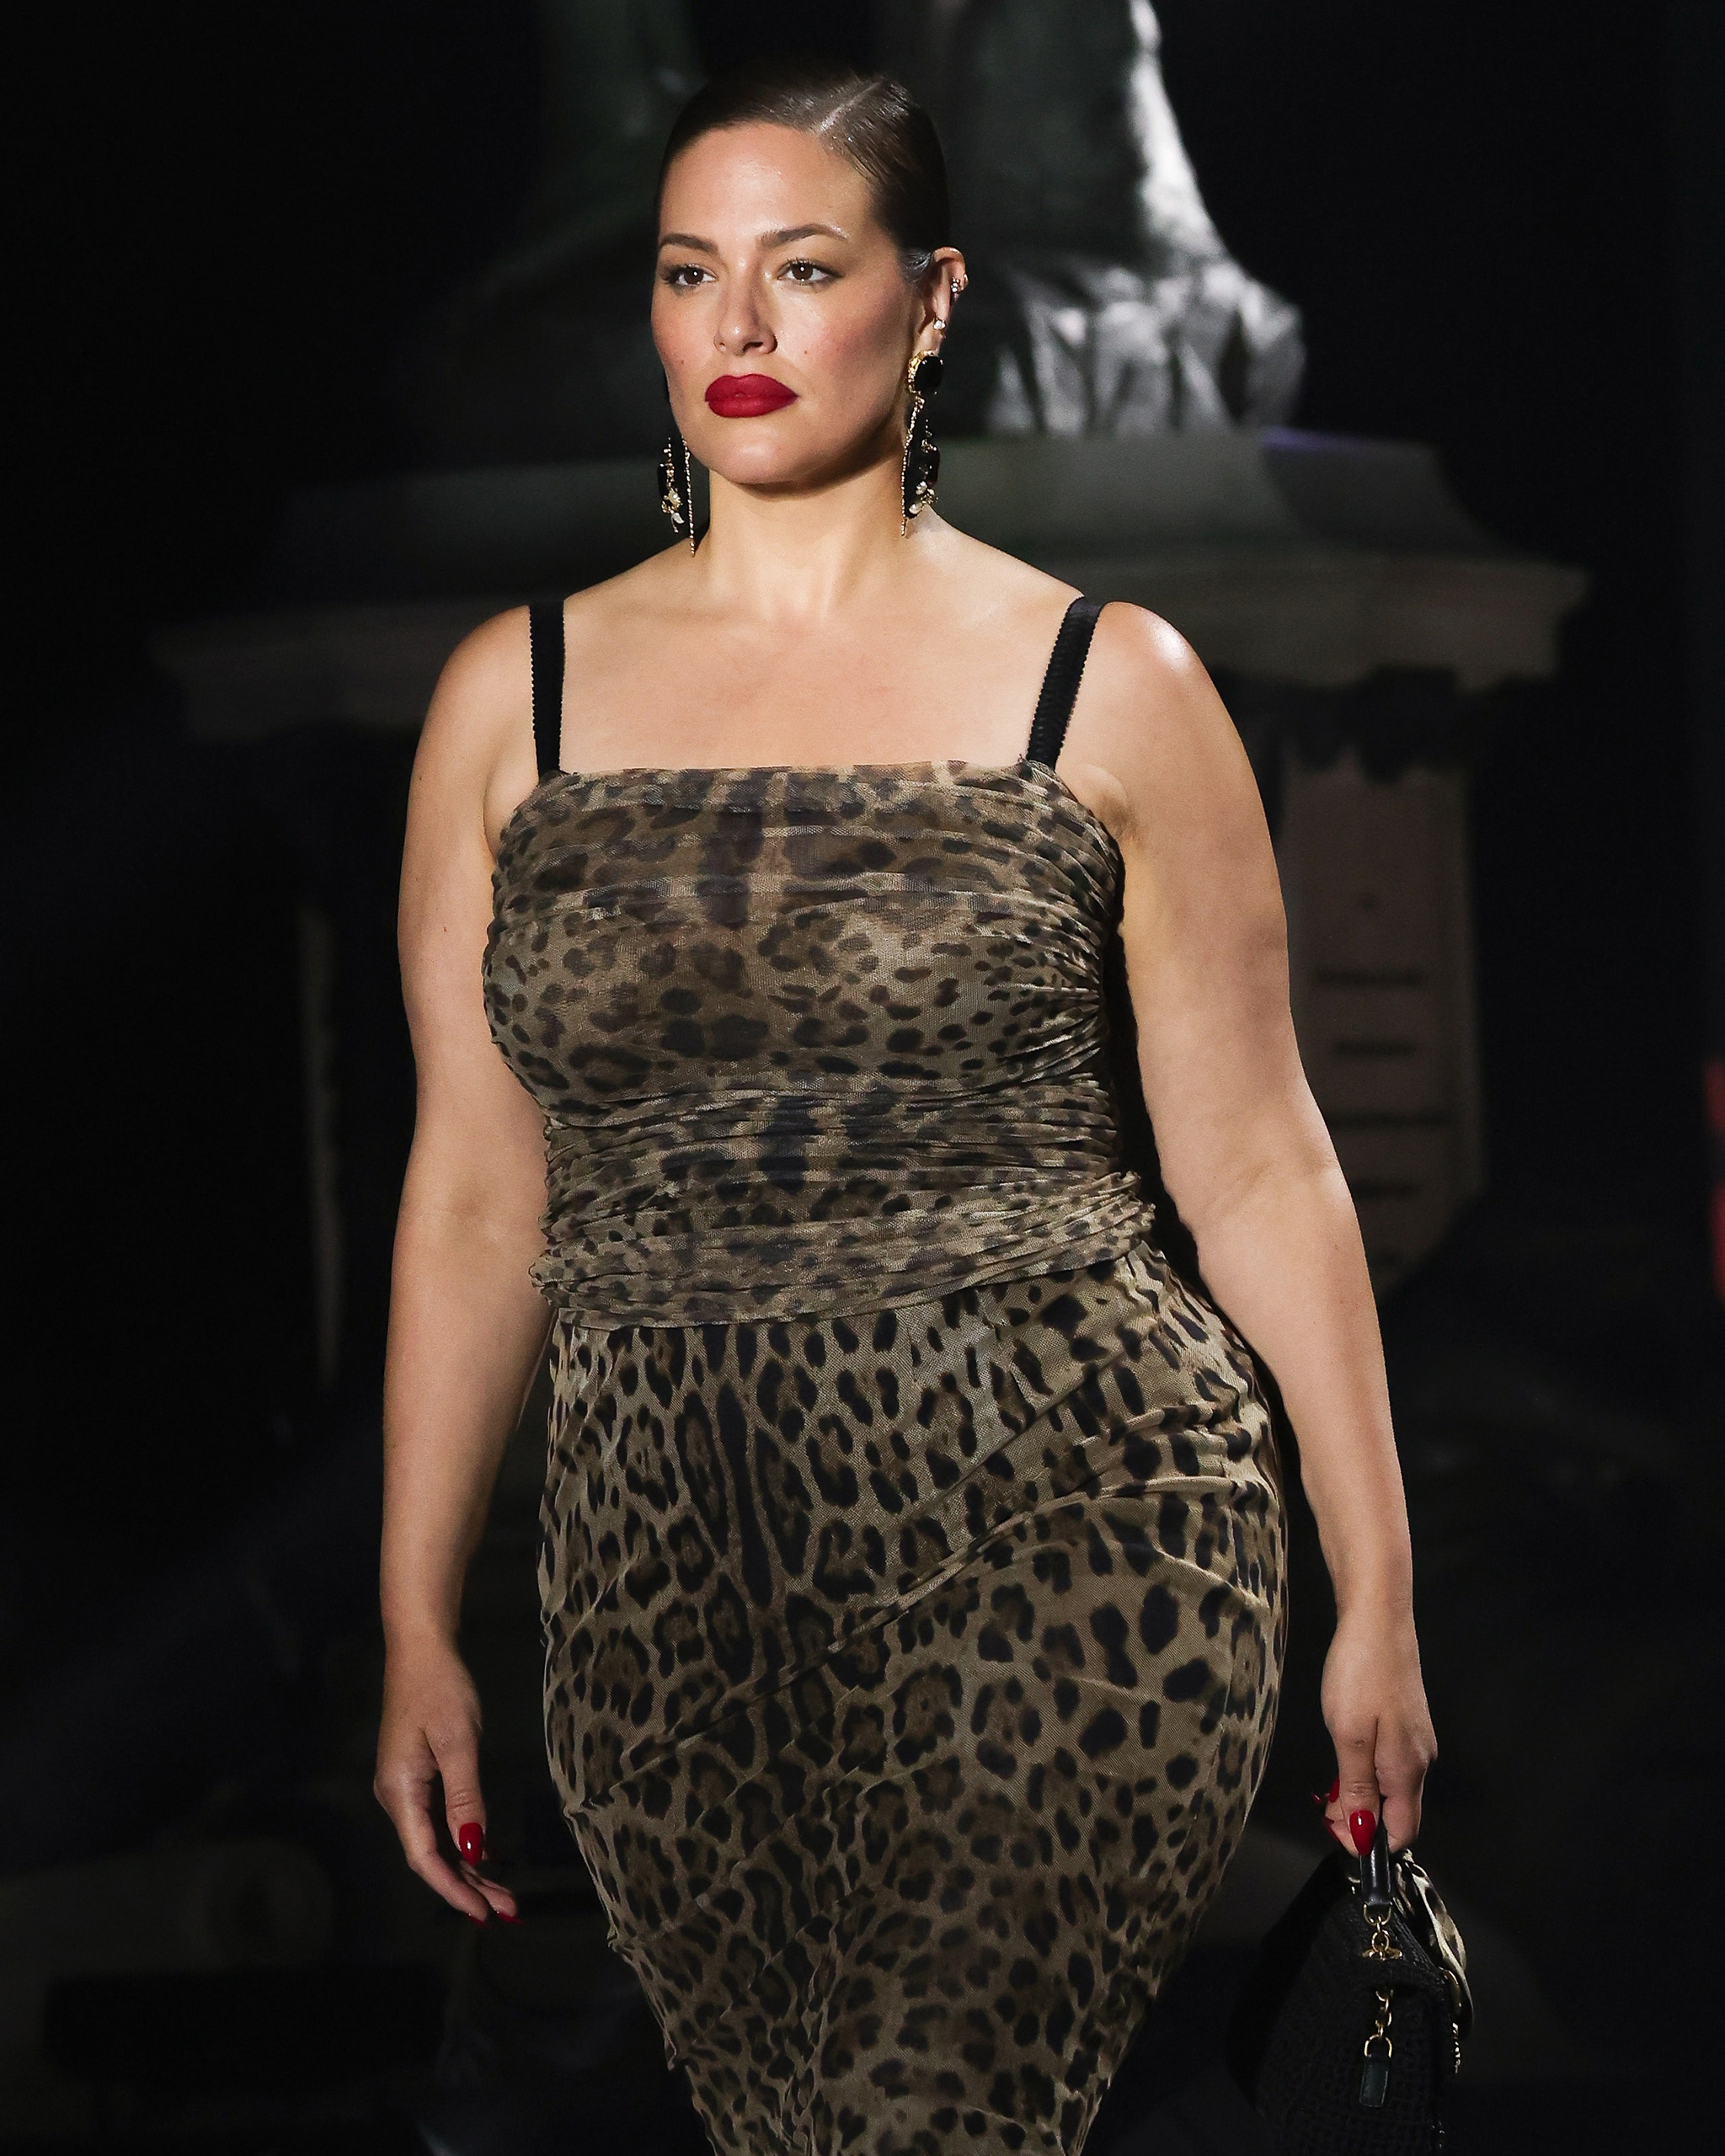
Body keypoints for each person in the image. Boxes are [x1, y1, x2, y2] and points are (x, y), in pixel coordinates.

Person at [374, 56, 1436, 2156]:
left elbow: (1256, 1159)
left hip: (1072, 1516)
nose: (737, 326)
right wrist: (413, 1619)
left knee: (924, 2110)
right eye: (688, 271)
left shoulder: (1106, 679)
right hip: (668, 1580)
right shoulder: (516, 697)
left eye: (802, 268)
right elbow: (477, 1196)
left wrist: (1376, 1588)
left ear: (930, 298)